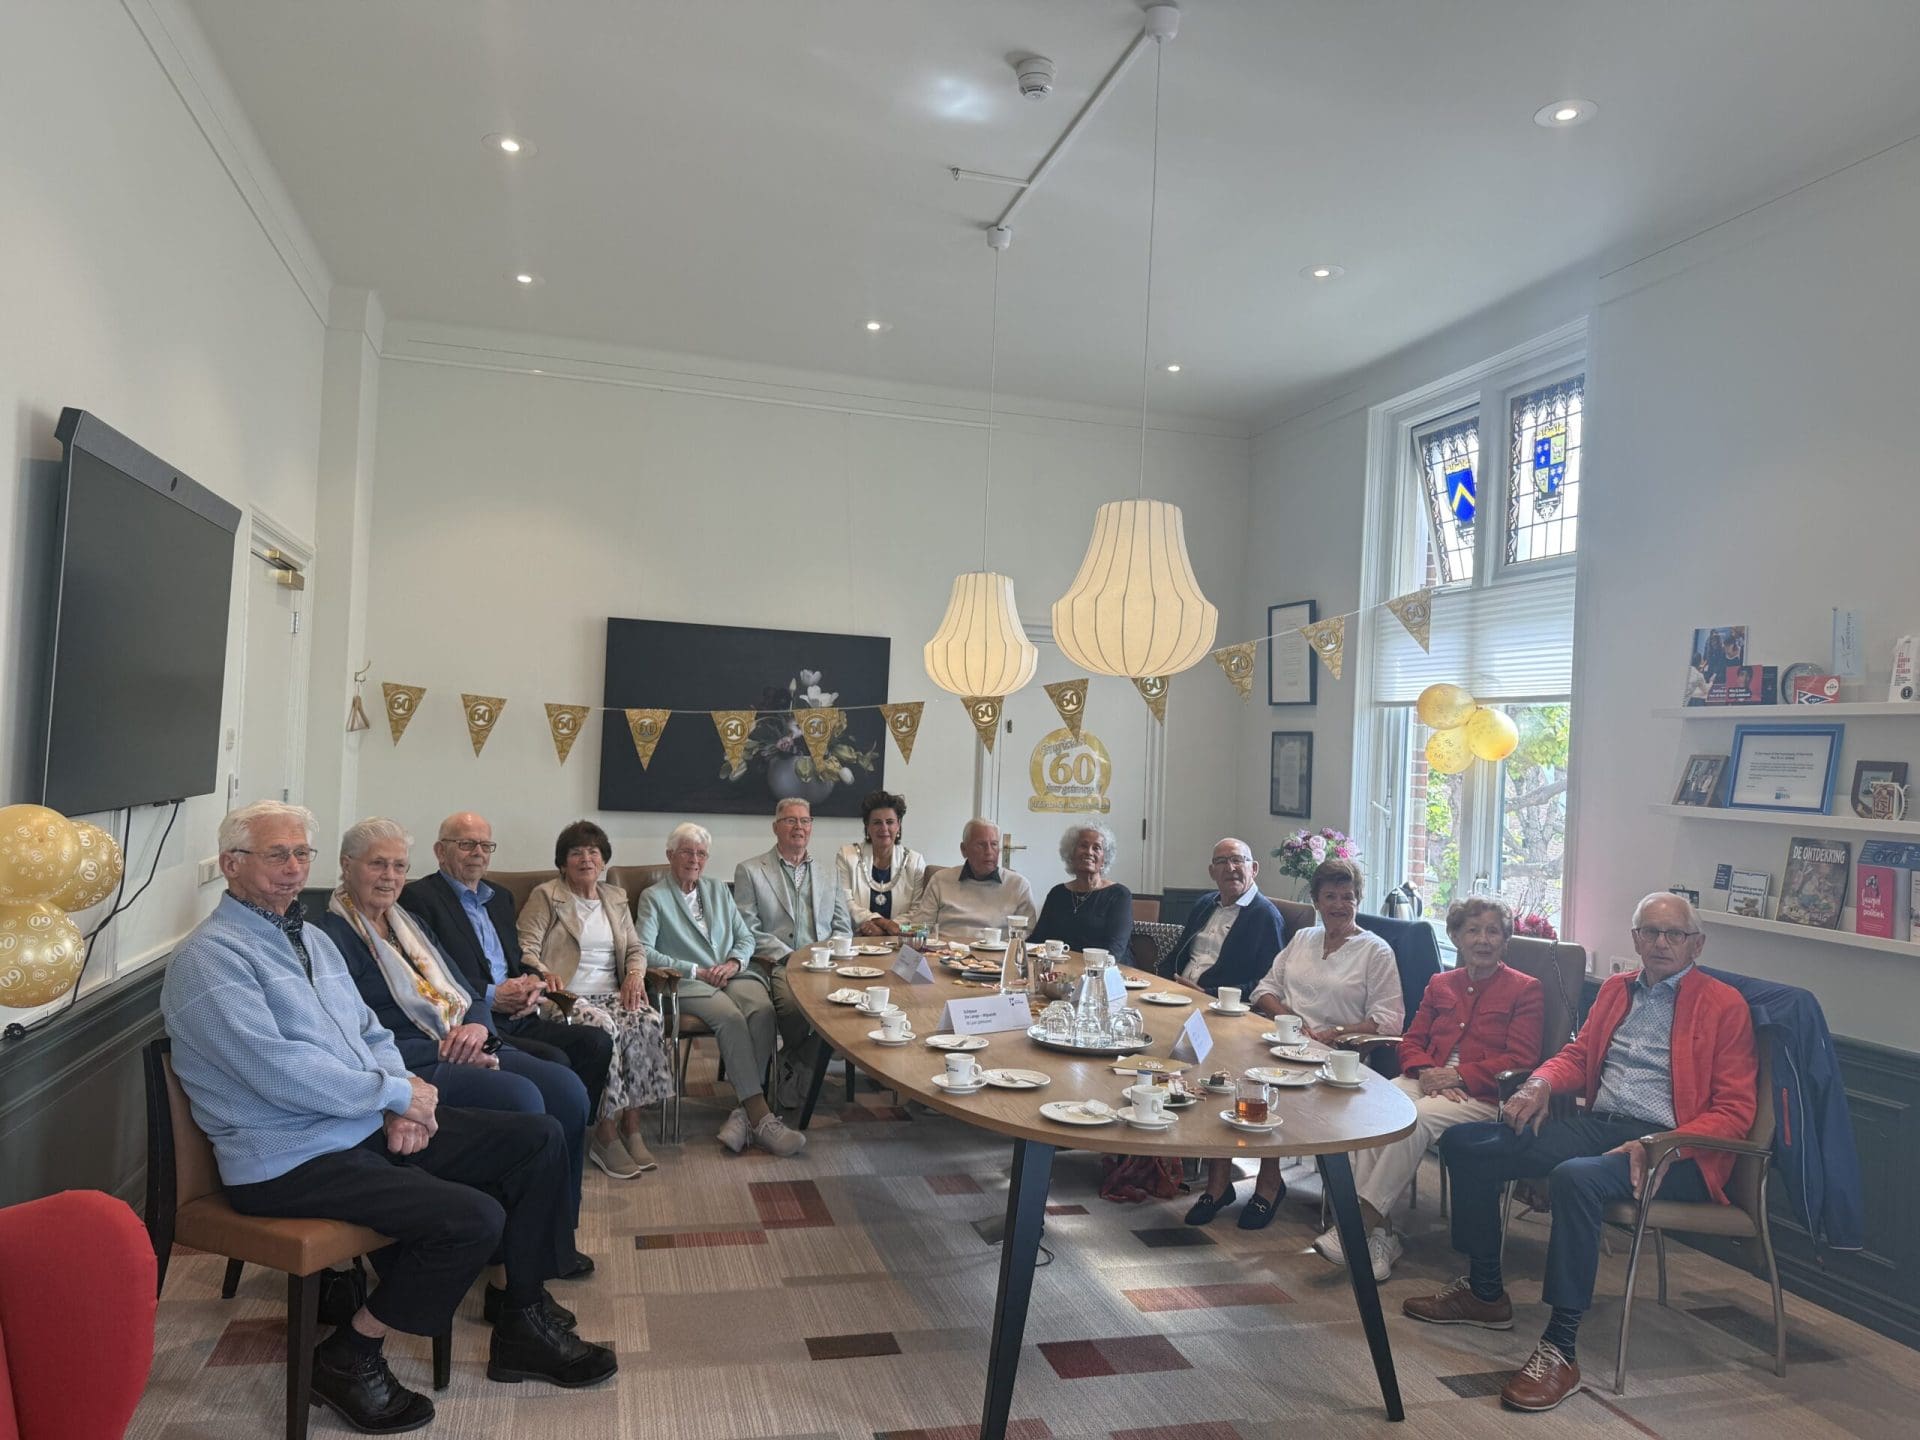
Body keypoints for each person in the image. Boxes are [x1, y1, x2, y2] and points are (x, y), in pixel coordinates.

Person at [161, 802, 614, 1434]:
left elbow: (371, 1033)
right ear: (231, 864)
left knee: (537, 1139)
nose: (293, 868)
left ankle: (522, 1322)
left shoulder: (311, 939)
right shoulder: (210, 959)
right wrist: (395, 1098)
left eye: (301, 854)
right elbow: (280, 1073)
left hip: (356, 1127)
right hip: (286, 1157)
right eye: (276, 855)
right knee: (473, 1218)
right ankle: (349, 1354)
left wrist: (406, 1097)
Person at [1404, 893, 1757, 1413]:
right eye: (1650, 932)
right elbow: (1579, 1054)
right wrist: (1540, 1084)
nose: (1661, 943)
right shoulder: (1617, 989)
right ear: (1635, 939)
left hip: (1675, 1151)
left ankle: (1561, 1347)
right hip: (1600, 1126)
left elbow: (1735, 1111)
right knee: (1467, 1144)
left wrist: (1659, 1144)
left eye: (1674, 934)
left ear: (1696, 945)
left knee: (1575, 1177)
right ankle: (1484, 1291)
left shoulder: (1724, 1004)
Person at [317, 817, 594, 1256]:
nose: (390, 876)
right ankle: (506, 1250)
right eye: (377, 864)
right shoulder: (329, 937)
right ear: (347, 865)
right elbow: (351, 1036)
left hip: (463, 1038)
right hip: (413, 1060)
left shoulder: (408, 923)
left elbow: (465, 991)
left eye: (399, 866)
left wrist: (477, 1027)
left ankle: (552, 1240)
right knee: (521, 1098)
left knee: (568, 1089)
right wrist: (447, 1047)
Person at [1311, 898, 1543, 1281]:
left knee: (1413, 1119)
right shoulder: (1441, 984)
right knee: (1367, 1110)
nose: (1483, 940)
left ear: (1506, 940)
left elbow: (1522, 1059)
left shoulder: (1525, 989)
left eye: (1493, 932)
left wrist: (1459, 1076)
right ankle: (1383, 1236)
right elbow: (1412, 1040)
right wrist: (1428, 1072)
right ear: (1456, 936)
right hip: (1428, 1080)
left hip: (1484, 1095)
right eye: (1473, 930)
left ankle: (1356, 1226)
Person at [1185, 857, 1402, 1231]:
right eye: (1330, 896)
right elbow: (1265, 989)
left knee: (1271, 1082)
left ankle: (1269, 1184)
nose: (1338, 905)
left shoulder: (1375, 951)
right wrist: (1292, 1020)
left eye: (1347, 897)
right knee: (1222, 1073)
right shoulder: (1304, 939)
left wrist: (1335, 1033)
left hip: (1336, 1057)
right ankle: (1218, 1184)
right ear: (1316, 901)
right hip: (1284, 1042)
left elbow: (1389, 1019)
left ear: (1358, 900)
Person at [400, 812, 613, 1138]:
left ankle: (574, 1134)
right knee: (555, 1060)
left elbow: (517, 960)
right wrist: (492, 995)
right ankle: (547, 1139)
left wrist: (534, 981)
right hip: (473, 1020)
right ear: (440, 851)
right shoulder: (419, 898)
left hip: (520, 1013)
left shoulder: (500, 897)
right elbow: (427, 975)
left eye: (485, 845)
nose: (478, 853)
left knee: (595, 1043)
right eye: (467, 844)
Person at [517, 820, 675, 1180]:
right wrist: (543, 973)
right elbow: (525, 947)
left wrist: (634, 975)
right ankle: (605, 1133)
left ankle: (631, 1126)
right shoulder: (546, 896)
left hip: (612, 991)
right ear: (562, 862)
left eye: (593, 852)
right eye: (576, 853)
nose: (586, 859)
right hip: (567, 997)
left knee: (646, 1020)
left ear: (603, 861)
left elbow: (635, 948)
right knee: (606, 1028)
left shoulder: (615, 897)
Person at [636, 823, 804, 1157]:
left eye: (701, 853)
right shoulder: (654, 897)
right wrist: (695, 970)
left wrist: (733, 963)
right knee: (730, 1017)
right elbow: (643, 950)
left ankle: (743, 1116)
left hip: (731, 975)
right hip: (685, 982)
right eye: (686, 852)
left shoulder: (716, 889)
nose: (694, 859)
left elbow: (745, 937)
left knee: (762, 1010)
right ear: (670, 855)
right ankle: (761, 1116)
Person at [733, 798, 853, 1105]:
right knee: (793, 1007)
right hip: (779, 963)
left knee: (851, 1011)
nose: (798, 827)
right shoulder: (750, 870)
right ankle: (805, 1066)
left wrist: (831, 954)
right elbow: (747, 929)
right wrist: (792, 956)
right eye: (790, 820)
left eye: (805, 821)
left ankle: (792, 1061)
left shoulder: (829, 873)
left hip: (826, 964)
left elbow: (842, 926)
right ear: (775, 828)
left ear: (811, 827)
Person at [1156, 838, 1288, 996]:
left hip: (1219, 1003)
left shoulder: (1266, 916)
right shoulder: (1204, 904)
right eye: (1221, 861)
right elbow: (1176, 956)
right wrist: (1159, 983)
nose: (1230, 868)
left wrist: (1207, 993)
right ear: (1212, 872)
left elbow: (1268, 984)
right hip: (1176, 994)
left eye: (1237, 860)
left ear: (1254, 869)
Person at [902, 818, 1037, 944]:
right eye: (981, 845)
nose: (989, 851)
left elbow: (1028, 934)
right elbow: (920, 926)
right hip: (946, 954)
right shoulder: (940, 880)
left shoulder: (1018, 886)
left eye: (994, 844)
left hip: (996, 956)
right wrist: (901, 930)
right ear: (964, 849)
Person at [1028, 821, 1134, 958]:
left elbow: (1115, 949)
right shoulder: (1057, 893)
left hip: (1104, 967)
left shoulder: (1119, 895)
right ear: (1071, 854)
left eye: (1096, 848)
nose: (1089, 852)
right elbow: (1037, 940)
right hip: (1062, 966)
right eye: (1083, 846)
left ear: (1104, 859)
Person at [835, 788, 931, 935]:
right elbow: (844, 902)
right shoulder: (847, 856)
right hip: (859, 938)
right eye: (877, 823)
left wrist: (886, 931)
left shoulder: (915, 861)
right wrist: (883, 923)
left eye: (890, 822)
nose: (884, 828)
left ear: (898, 825)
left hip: (901, 939)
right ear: (867, 826)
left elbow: (918, 912)